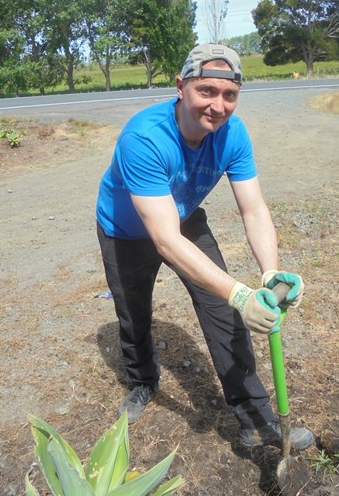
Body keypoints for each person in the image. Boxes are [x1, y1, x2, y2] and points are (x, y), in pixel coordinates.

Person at [96, 43, 314, 450]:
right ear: (181, 87)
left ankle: (255, 418)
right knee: (133, 312)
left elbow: (254, 209)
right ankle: (144, 381)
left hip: (182, 216)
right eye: (206, 91)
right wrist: (240, 293)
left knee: (223, 311)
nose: (218, 105)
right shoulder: (143, 138)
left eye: (229, 94)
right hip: (124, 231)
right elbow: (165, 240)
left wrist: (269, 272)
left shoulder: (233, 134)